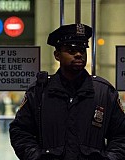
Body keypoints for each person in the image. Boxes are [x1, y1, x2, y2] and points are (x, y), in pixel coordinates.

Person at [9, 23, 125, 160]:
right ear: (57, 55)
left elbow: (121, 135)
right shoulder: (40, 92)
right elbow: (20, 132)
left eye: (82, 50)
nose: (78, 55)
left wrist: (109, 158)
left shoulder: (103, 92)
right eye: (70, 50)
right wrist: (36, 157)